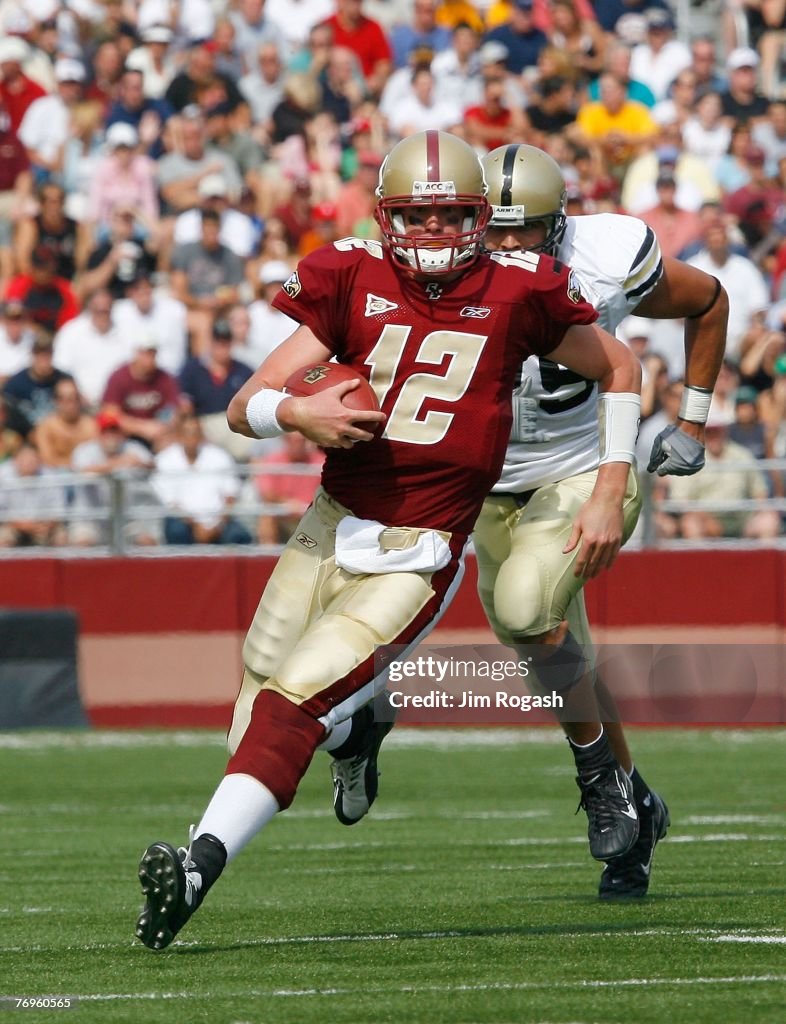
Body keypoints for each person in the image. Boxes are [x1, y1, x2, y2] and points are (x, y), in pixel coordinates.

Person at [135, 129, 642, 949]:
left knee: (292, 697)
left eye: (450, 218)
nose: (435, 235)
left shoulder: (521, 289)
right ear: (385, 217)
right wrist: (295, 411)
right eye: (416, 216)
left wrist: (611, 486)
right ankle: (359, 727)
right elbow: (244, 403)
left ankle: (196, 868)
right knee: (257, 704)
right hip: (330, 521)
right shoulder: (349, 273)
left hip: (423, 541)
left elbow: (618, 365)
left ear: (480, 219)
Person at [471, 143, 728, 899]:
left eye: (529, 231)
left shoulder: (609, 252)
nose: (511, 246)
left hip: (586, 473)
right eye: (498, 231)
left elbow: (707, 299)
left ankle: (606, 789)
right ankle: (634, 800)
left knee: (528, 616)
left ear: (562, 222)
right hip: (485, 486)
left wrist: (693, 422)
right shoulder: (442, 261)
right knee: (556, 658)